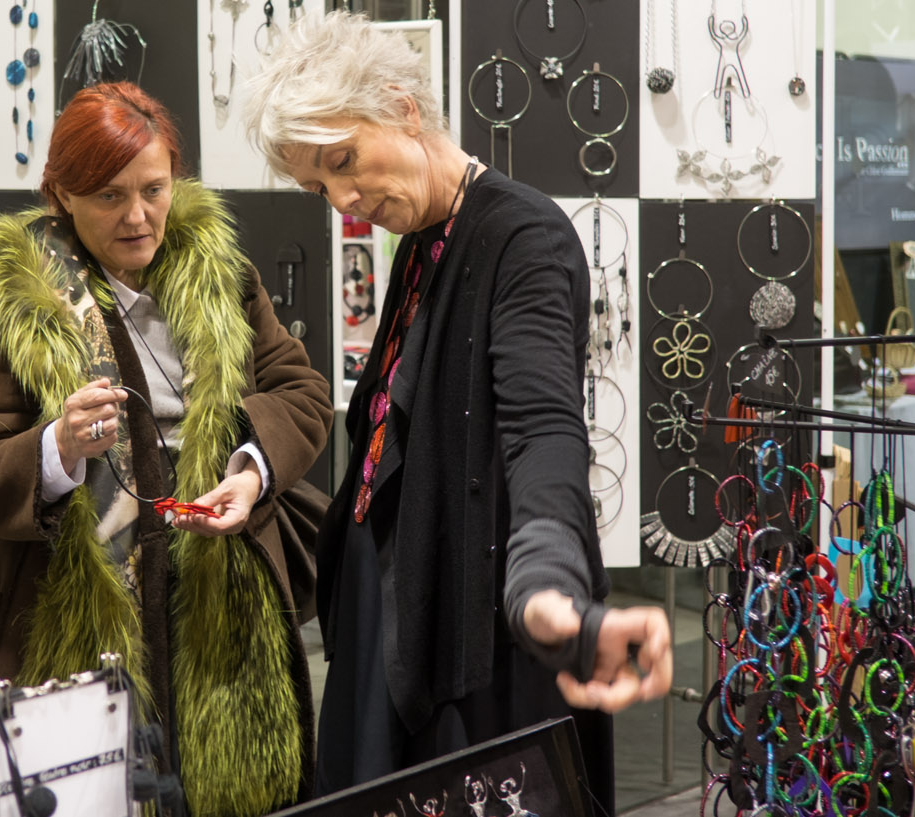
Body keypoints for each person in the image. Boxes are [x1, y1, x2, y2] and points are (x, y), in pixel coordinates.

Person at [244, 13, 673, 809]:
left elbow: (543, 430)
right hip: (399, 614)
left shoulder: (524, 238)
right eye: (318, 187)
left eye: (344, 162)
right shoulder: (424, 240)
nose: (343, 199)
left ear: (402, 107)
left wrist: (547, 588)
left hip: (470, 635)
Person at [0, 82, 332, 816]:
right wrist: (56, 445)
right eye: (108, 196)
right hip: (79, 631)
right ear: (59, 193)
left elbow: (301, 395)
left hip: (222, 623)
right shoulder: (20, 300)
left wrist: (250, 470)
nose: (137, 215)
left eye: (154, 189)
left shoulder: (219, 275)